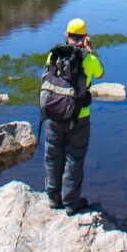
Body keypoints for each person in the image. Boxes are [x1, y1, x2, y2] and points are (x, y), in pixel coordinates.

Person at [44, 17, 103, 215]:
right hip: (79, 117)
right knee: (74, 157)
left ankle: (53, 198)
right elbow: (100, 74)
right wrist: (90, 51)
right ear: (85, 37)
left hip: (53, 114)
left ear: (66, 35)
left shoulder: (54, 54)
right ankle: (71, 202)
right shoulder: (89, 59)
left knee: (53, 155)